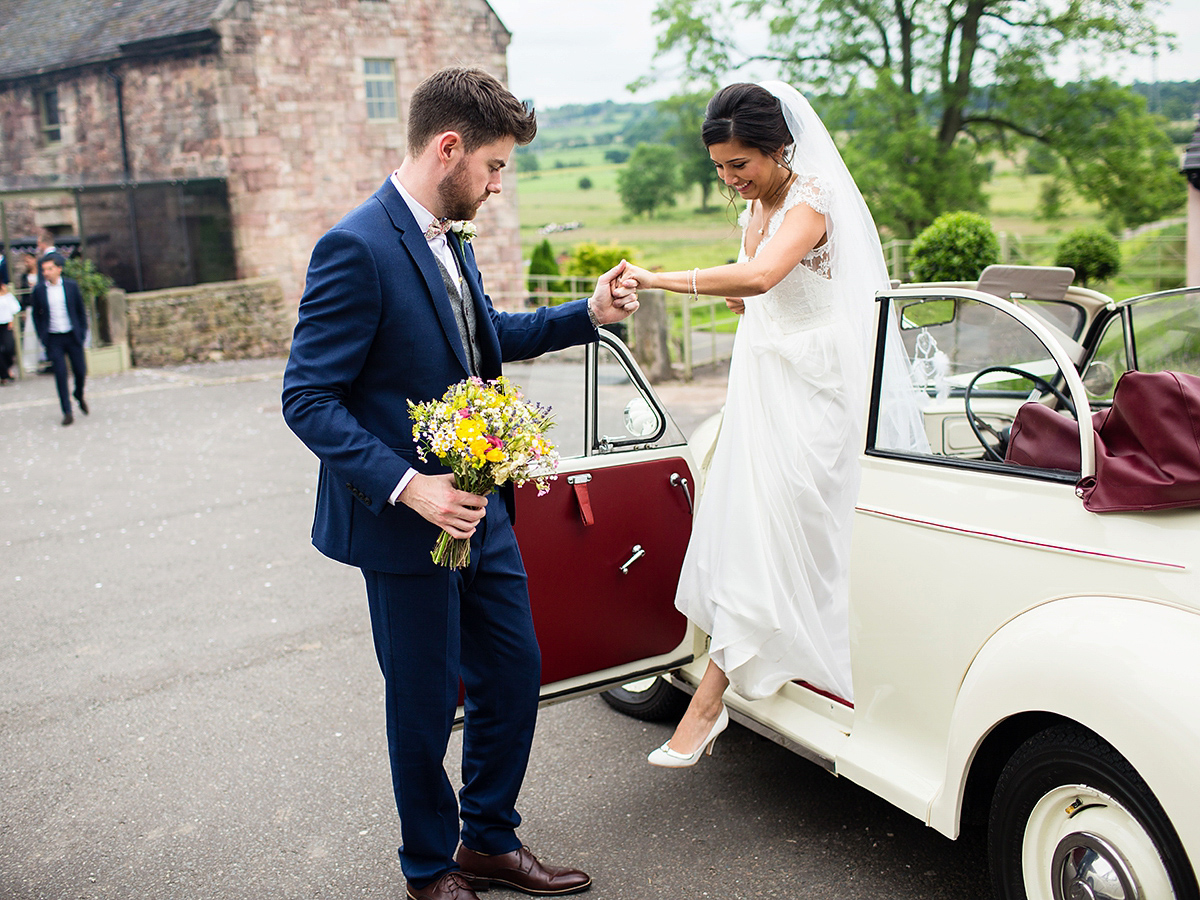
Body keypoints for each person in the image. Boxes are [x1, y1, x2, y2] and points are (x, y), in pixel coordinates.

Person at [282, 67, 638, 900]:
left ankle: (489, 841)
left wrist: (585, 315)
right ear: (450, 148)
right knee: (422, 705)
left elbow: (483, 337)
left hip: (487, 514)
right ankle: (428, 869)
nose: (499, 184)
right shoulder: (356, 247)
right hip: (406, 525)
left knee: (514, 677)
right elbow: (307, 397)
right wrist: (412, 487)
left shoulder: (447, 233)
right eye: (495, 167)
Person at [622, 82, 926, 768]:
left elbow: (760, 277)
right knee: (749, 523)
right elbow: (758, 284)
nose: (731, 179)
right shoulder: (757, 204)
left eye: (741, 166)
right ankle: (723, 686)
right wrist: (745, 296)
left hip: (816, 385)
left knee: (799, 523)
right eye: (721, 168)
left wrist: (656, 277)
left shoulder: (813, 195)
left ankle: (714, 699)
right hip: (764, 377)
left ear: (778, 147)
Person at [30, 252, 88, 425]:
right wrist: (43, 336)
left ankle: (78, 393)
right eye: (44, 270)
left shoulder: (71, 286)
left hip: (72, 335)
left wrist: (82, 332)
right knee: (60, 374)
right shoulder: (39, 290)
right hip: (54, 338)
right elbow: (36, 315)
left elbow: (80, 310)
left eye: (50, 269)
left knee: (80, 371)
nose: (46, 272)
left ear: (59, 269)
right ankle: (67, 411)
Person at [0, 277, 21, 383]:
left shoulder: (6, 293)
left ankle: (7, 369)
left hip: (6, 324)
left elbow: (15, 307)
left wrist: (12, 321)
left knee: (9, 348)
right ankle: (4, 375)